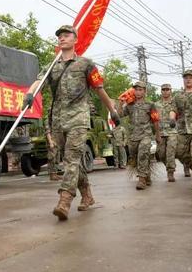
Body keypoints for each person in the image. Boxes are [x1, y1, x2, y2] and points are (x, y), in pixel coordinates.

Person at [23, 25, 120, 220]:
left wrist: (113, 111)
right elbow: (38, 81)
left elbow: (100, 90)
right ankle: (87, 195)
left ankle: (64, 200)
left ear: (75, 40)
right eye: (59, 36)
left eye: (66, 35)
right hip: (58, 120)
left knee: (73, 159)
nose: (62, 38)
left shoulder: (86, 64)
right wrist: (30, 93)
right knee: (69, 162)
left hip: (78, 119)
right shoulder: (52, 66)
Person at [119, 81, 161, 189]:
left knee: (143, 152)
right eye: (136, 90)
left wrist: (158, 135)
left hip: (146, 134)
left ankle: (141, 179)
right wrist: (121, 103)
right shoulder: (129, 105)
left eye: (140, 90)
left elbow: (155, 120)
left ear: (144, 91)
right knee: (135, 157)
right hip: (133, 136)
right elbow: (120, 115)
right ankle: (147, 174)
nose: (137, 92)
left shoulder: (150, 105)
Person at [155, 83, 178, 182]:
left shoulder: (175, 103)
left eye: (167, 89)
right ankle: (169, 166)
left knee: (170, 152)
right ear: (161, 91)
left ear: (170, 90)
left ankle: (170, 172)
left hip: (172, 131)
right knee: (161, 154)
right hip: (160, 132)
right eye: (163, 90)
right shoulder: (156, 104)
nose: (165, 91)